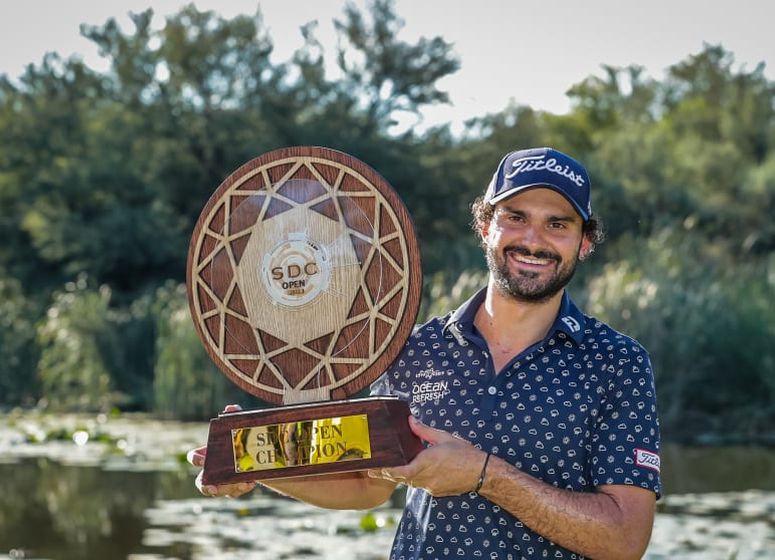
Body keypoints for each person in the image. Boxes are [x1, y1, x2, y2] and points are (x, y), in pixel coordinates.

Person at [188, 147, 662, 560]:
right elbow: (365, 482)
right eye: (515, 217)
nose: (533, 240)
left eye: (557, 224)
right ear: (485, 226)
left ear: (583, 243)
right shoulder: (414, 347)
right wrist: (254, 461)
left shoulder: (617, 363)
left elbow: (624, 538)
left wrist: (484, 475)